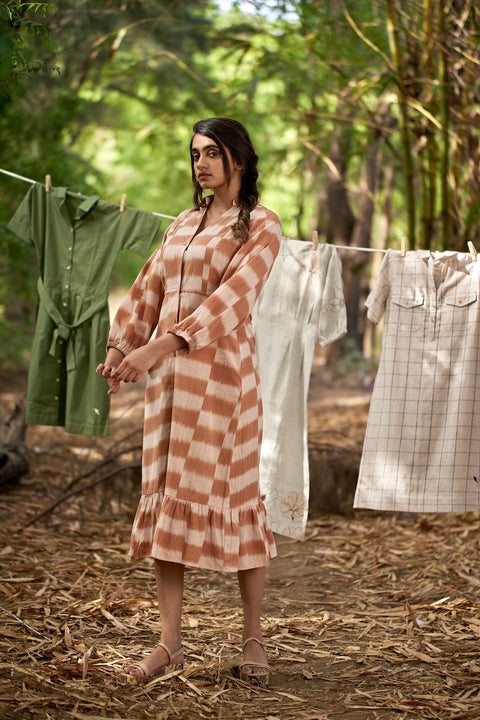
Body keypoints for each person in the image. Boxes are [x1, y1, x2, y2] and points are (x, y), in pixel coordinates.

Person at [96, 117, 282, 684]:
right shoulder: (182, 222)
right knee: (167, 498)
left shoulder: (262, 225)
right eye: (195, 154)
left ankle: (253, 639)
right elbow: (148, 285)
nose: (200, 163)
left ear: (239, 161)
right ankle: (170, 645)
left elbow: (233, 299)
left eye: (211, 153)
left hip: (225, 381)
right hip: (171, 384)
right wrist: (123, 346)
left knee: (236, 497)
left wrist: (160, 346)